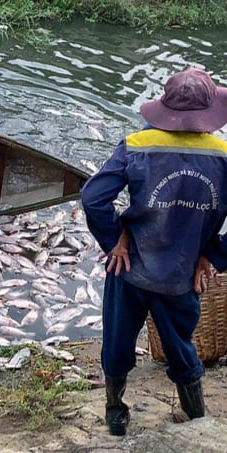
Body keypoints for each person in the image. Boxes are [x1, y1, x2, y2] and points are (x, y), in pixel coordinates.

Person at [81, 67, 227, 436]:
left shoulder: (136, 144)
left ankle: (116, 413)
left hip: (129, 269)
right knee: (180, 347)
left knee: (117, 343)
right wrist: (212, 255)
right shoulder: (223, 157)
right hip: (181, 275)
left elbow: (93, 198)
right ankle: (195, 420)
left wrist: (114, 239)